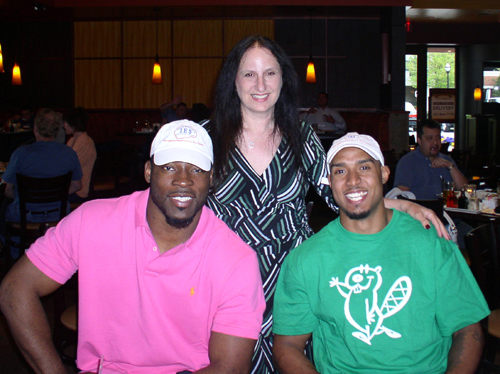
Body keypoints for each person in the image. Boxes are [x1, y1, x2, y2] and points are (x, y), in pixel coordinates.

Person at [203, 34, 449, 373]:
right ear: (233, 80)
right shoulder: (208, 139)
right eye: (249, 74)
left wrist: (402, 205)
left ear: (283, 79)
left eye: (270, 73)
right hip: (225, 275)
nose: (260, 84)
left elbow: (342, 196)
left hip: (292, 275)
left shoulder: (300, 135)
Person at [0, 120, 266, 374]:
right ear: (149, 171)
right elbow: (15, 289)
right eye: (170, 167)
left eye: (196, 169)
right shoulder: (91, 222)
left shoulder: (236, 259)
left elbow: (231, 367)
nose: (183, 180)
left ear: (212, 178)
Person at [273, 132, 489, 374]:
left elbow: (468, 328)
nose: (353, 181)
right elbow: (288, 345)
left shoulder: (431, 242)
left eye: (364, 167)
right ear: (330, 183)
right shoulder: (305, 260)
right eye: (340, 171)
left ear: (384, 174)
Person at [0, 108, 83, 258]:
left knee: (4, 209)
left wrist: (24, 197)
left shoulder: (21, 154)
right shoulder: (69, 153)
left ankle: (17, 255)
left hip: (25, 214)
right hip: (58, 212)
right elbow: (77, 185)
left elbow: (7, 190)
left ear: (35, 128)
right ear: (57, 130)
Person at [394, 118, 468, 200]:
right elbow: (401, 195)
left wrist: (451, 167)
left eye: (438, 138)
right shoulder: (408, 162)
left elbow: (464, 190)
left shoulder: (447, 160)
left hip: (447, 209)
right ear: (420, 141)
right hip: (419, 209)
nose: (435, 143)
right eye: (430, 138)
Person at [63, 107, 97, 203]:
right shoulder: (72, 140)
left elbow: (71, 169)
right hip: (71, 186)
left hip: (79, 191)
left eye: (66, 122)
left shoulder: (86, 142)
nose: (64, 125)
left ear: (74, 124)